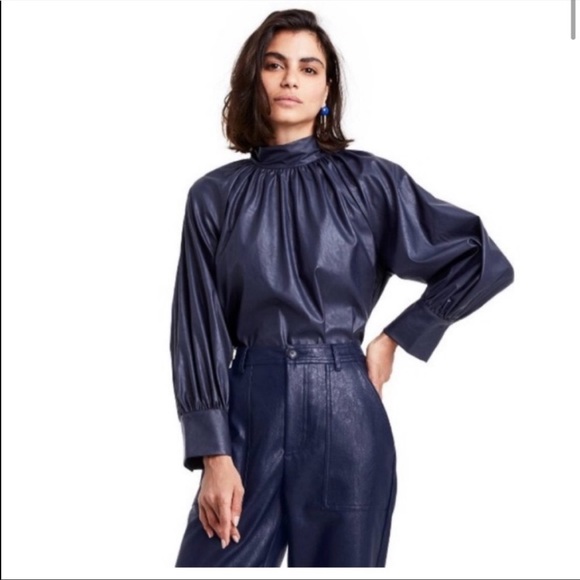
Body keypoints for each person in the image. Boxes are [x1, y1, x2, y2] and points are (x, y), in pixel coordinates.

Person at [169, 8, 514, 568]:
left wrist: (396, 339)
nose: (290, 80)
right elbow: (197, 330)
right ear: (253, 77)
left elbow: (480, 258)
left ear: (326, 89)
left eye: (308, 69)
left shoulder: (369, 182)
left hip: (346, 415)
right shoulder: (214, 196)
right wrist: (213, 454)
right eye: (275, 65)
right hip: (248, 413)